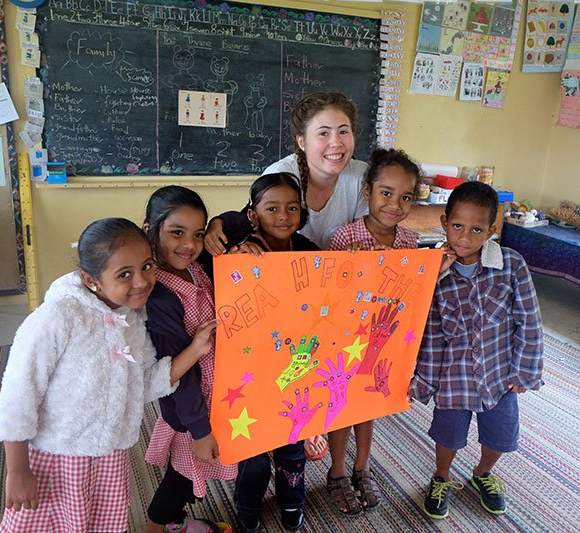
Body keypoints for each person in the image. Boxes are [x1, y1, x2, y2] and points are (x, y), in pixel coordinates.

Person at [0, 218, 208, 533]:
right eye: (124, 274)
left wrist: (195, 349)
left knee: (98, 524)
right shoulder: (59, 316)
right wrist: (17, 470)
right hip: (59, 455)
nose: (142, 281)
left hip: (111, 454)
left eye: (147, 267)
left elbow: (145, 383)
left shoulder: (132, 318)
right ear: (90, 279)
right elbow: (19, 393)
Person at [408, 181, 544, 520]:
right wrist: (425, 380)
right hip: (454, 375)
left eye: (476, 229)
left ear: (491, 230)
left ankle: (482, 474)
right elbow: (429, 333)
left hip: (500, 375)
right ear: (443, 223)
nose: (465, 237)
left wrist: (525, 371)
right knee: (447, 434)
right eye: (457, 226)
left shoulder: (511, 265)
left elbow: (529, 321)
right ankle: (441, 476)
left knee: (500, 434)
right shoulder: (434, 273)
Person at [227, 172, 327, 532]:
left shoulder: (310, 252)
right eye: (272, 208)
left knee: (292, 444)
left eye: (291, 207)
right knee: (252, 452)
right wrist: (237, 254)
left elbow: (327, 305)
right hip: (252, 370)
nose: (283, 216)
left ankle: (291, 500)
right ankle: (247, 506)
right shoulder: (240, 252)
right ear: (253, 214)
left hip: (297, 367)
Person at [323, 148, 421, 515]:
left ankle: (362, 468)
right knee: (341, 409)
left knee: (369, 407)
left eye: (405, 197)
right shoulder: (344, 238)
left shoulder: (410, 243)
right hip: (346, 342)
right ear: (367, 191)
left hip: (385, 343)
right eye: (386, 192)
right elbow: (327, 297)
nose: (394, 204)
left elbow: (412, 292)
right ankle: (336, 472)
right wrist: (350, 267)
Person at [141, 186, 236, 533]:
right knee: (182, 474)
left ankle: (175, 520)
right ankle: (154, 525)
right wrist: (200, 430)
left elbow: (242, 220)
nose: (189, 244)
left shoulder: (195, 269)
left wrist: (218, 226)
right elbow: (176, 373)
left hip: (214, 397)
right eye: (176, 232)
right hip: (190, 408)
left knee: (190, 471)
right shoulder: (160, 296)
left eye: (198, 234)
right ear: (150, 231)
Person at [203, 91, 369, 253]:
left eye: (343, 131)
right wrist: (220, 222)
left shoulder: (362, 176)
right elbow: (251, 219)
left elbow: (373, 232)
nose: (336, 142)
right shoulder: (281, 175)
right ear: (302, 141)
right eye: (324, 133)